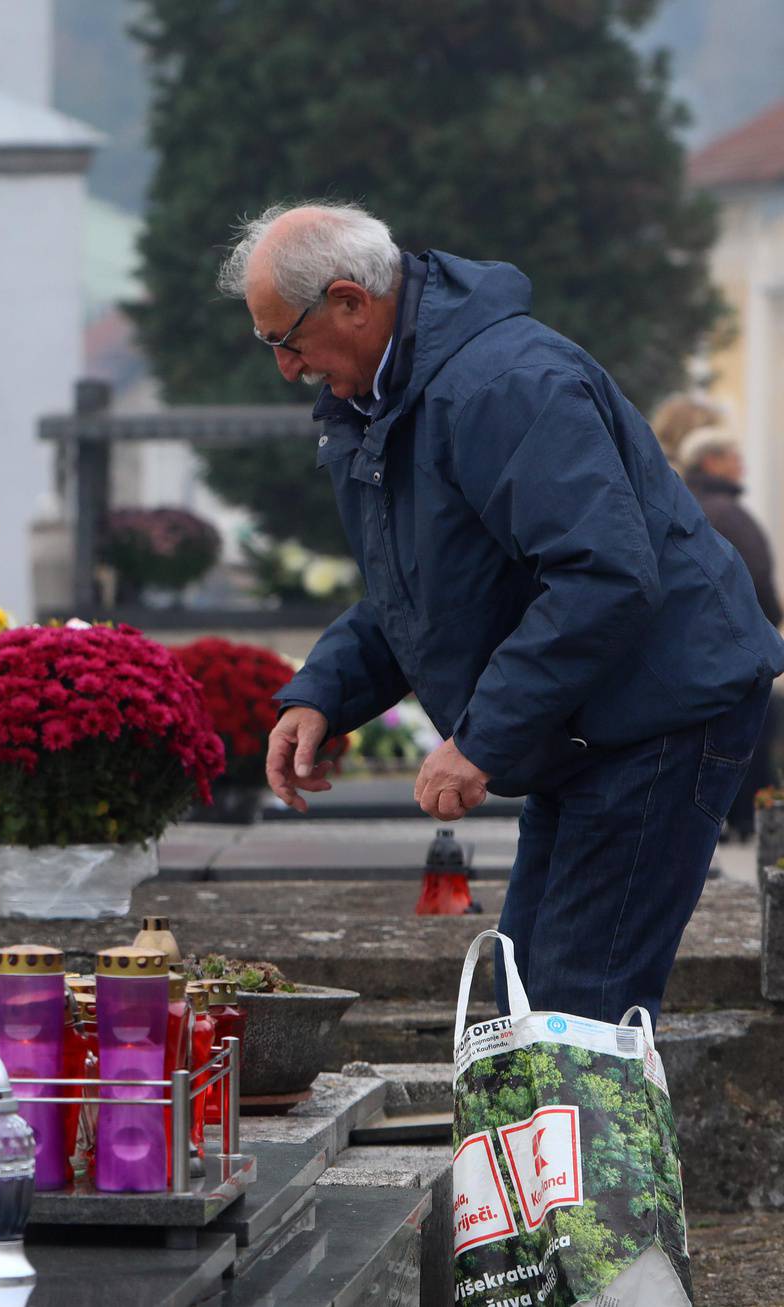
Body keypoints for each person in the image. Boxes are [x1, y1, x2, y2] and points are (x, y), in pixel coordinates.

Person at [220, 200, 784, 1025]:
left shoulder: (501, 384)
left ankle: (588, 1156)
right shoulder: (396, 397)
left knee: (575, 1016)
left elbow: (605, 578)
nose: (286, 367)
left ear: (350, 300)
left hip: (661, 710)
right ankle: (558, 1152)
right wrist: (322, 691)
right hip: (594, 719)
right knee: (525, 1003)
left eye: (286, 339)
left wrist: (480, 739)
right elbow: (425, 592)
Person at [678, 426, 782, 838]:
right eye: (733, 456)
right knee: (749, 731)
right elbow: (756, 578)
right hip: (732, 646)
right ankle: (742, 822)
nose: (741, 465)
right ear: (711, 462)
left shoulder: (685, 503)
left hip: (694, 649)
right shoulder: (727, 512)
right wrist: (766, 627)